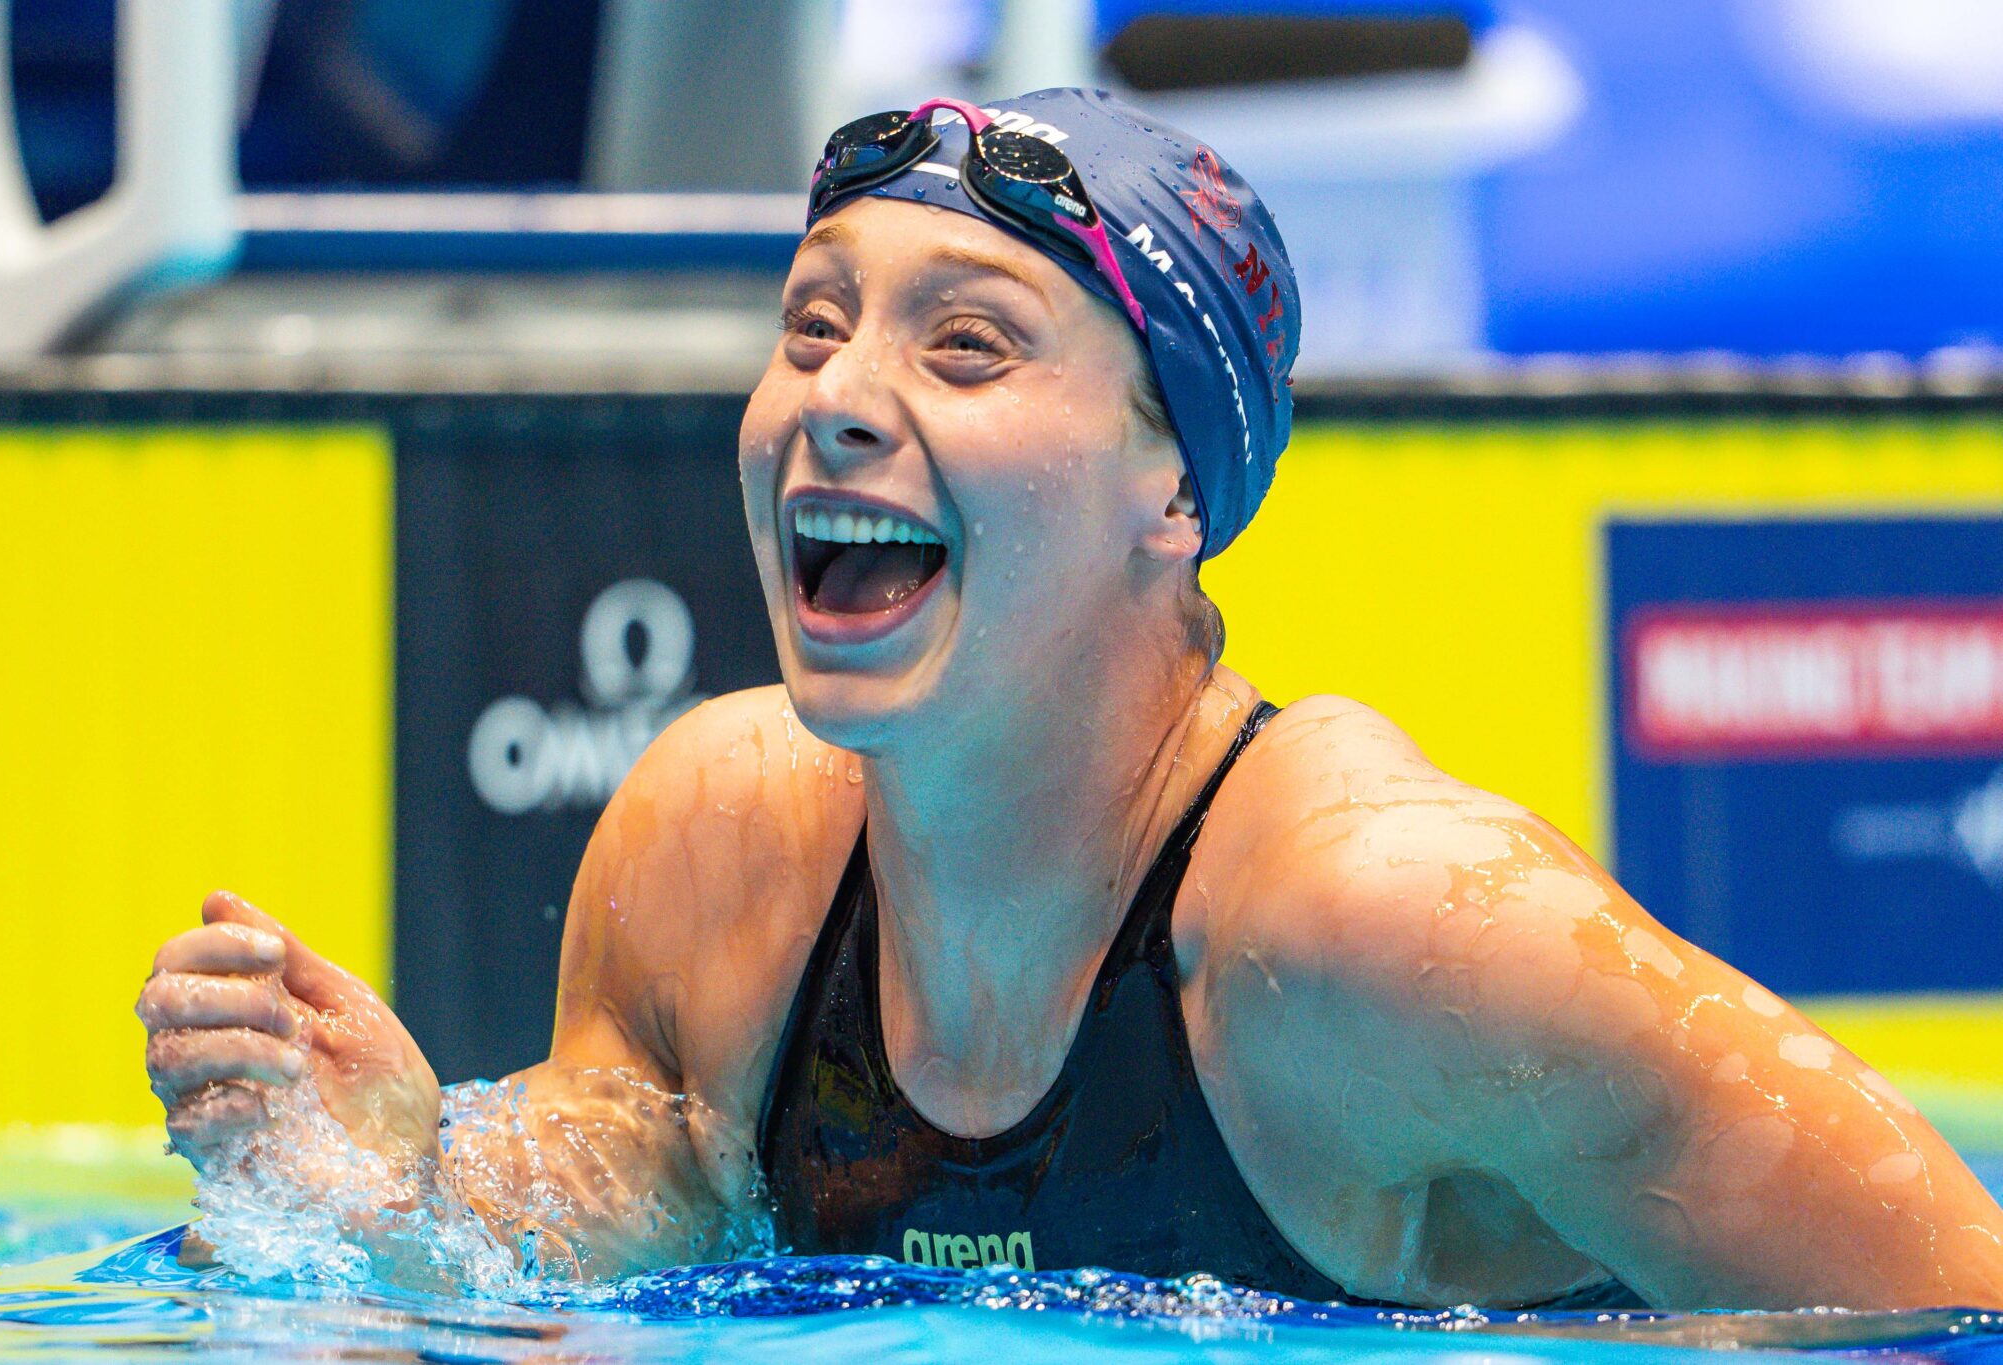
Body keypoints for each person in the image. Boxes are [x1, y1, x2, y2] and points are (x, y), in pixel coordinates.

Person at [138, 88, 2003, 1310]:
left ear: (1172, 490)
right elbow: (651, 1196)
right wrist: (398, 1181)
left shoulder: (1375, 930)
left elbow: (1949, 1292)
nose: (838, 398)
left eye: (966, 345)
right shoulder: (719, 836)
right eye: (810, 325)